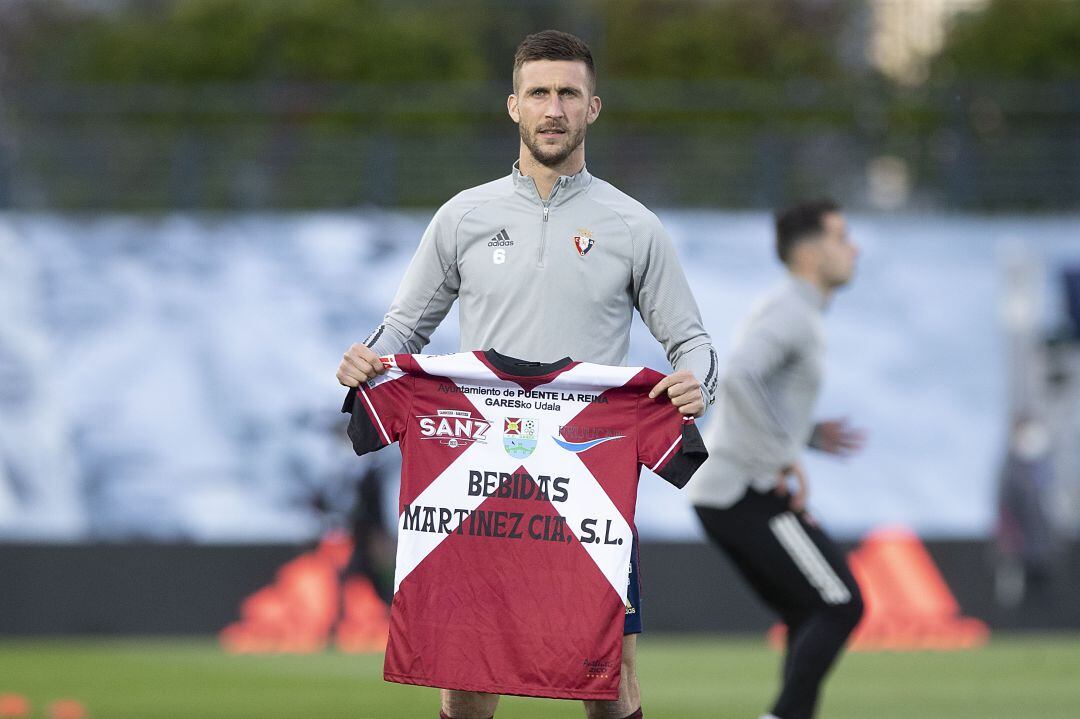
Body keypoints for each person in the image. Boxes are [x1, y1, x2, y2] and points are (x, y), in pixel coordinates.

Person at [335, 30, 717, 719]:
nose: (553, 108)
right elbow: (401, 330)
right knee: (468, 682)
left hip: (586, 483)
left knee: (610, 682)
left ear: (593, 108)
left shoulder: (634, 226)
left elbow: (692, 342)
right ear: (513, 105)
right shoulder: (464, 216)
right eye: (539, 92)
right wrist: (364, 361)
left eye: (568, 93)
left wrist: (696, 382)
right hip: (480, 479)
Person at [688, 200, 865, 719]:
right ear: (810, 253)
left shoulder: (794, 308)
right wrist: (782, 456)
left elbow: (757, 388)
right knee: (840, 604)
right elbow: (740, 376)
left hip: (734, 489)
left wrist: (803, 435)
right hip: (743, 490)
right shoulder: (793, 312)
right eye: (840, 237)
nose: (852, 249)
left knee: (809, 608)